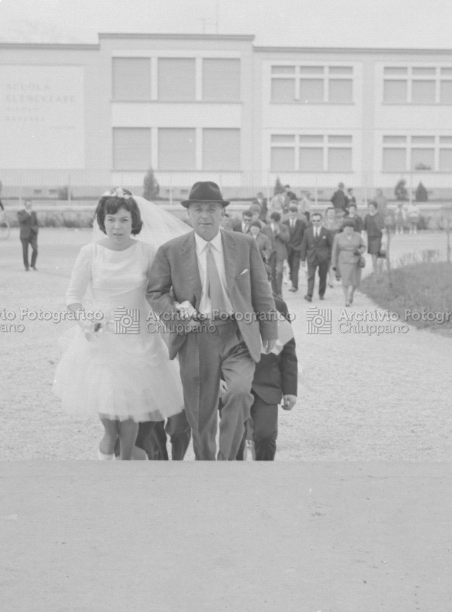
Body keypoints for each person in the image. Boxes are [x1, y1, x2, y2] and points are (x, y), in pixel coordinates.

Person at [146, 180, 278, 461]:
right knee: (200, 411)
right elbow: (155, 292)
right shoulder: (171, 251)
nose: (204, 215)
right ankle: (206, 463)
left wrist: (269, 328)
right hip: (195, 337)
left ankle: (226, 462)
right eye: (198, 209)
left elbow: (261, 289)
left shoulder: (244, 244)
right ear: (188, 214)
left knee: (240, 392)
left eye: (211, 209)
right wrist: (177, 319)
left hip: (236, 334)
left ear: (222, 213)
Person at [55, 189, 185, 460]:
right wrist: (85, 321)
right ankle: (110, 452)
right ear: (102, 219)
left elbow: (156, 296)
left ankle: (126, 461)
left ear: (134, 221)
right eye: (111, 218)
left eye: (124, 220)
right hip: (102, 337)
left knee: (129, 408)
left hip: (138, 336)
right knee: (109, 417)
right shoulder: (90, 253)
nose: (117, 226)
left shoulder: (147, 253)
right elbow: (73, 296)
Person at [235, 295, 297, 461]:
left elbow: (288, 350)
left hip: (267, 384)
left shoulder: (278, 306)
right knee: (235, 440)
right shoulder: (229, 300)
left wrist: (290, 390)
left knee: (266, 436)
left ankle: (264, 475)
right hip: (234, 382)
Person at [331, 218, 365, 306]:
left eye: (351, 228)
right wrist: (334, 264)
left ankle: (351, 294)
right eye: (347, 228)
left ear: (353, 229)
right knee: (345, 281)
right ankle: (346, 299)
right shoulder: (338, 236)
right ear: (343, 228)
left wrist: (360, 251)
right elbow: (334, 251)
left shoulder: (357, 235)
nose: (349, 230)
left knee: (356, 282)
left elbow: (363, 246)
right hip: (343, 261)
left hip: (355, 261)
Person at [302, 210, 334, 302]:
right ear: (312, 221)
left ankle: (321, 293)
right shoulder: (307, 232)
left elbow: (330, 245)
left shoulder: (326, 232)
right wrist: (303, 259)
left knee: (322, 276)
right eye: (314, 221)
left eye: (318, 220)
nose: (316, 222)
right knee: (310, 276)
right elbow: (304, 245)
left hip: (323, 258)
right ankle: (309, 294)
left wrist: (328, 256)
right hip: (311, 257)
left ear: (321, 221)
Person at [283, 201, 307, 293]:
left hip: (297, 248)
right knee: (291, 266)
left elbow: (304, 236)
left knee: (295, 266)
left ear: (296, 213)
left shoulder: (301, 223)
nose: (292, 214)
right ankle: (293, 279)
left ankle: (294, 286)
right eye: (291, 212)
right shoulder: (285, 223)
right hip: (288, 248)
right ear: (289, 213)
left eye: (294, 212)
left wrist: (302, 246)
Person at [268, 211, 290, 297]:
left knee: (279, 272)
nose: (275, 222)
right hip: (270, 253)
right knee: (272, 273)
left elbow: (287, 239)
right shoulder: (266, 228)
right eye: (273, 221)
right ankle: (274, 291)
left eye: (277, 221)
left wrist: (278, 231)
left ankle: (280, 292)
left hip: (280, 253)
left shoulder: (284, 227)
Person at [17, 199, 39, 270]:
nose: (29, 206)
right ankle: (26, 266)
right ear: (25, 205)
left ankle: (33, 264)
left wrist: (36, 230)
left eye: (30, 205)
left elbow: (36, 222)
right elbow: (21, 220)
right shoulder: (20, 212)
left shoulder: (34, 213)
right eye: (28, 205)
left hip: (33, 234)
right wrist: (27, 213)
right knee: (25, 251)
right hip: (24, 234)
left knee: (35, 249)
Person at [363, 200, 384, 272]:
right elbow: (364, 226)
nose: (370, 208)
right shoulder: (367, 216)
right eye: (369, 207)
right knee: (372, 253)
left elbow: (382, 226)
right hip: (370, 236)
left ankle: (376, 268)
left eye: (372, 207)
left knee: (376, 252)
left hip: (378, 236)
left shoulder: (379, 215)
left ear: (375, 207)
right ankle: (375, 267)